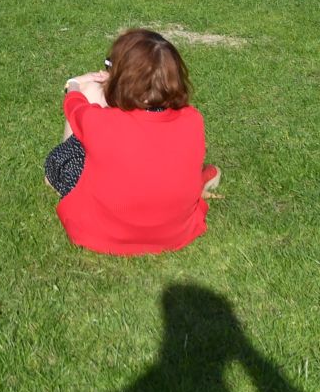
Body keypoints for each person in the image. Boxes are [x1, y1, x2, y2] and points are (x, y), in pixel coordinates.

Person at [45, 29, 215, 255]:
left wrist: (76, 84)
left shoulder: (101, 122)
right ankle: (201, 180)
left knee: (59, 160)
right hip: (174, 232)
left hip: (101, 232)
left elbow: (74, 106)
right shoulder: (193, 119)